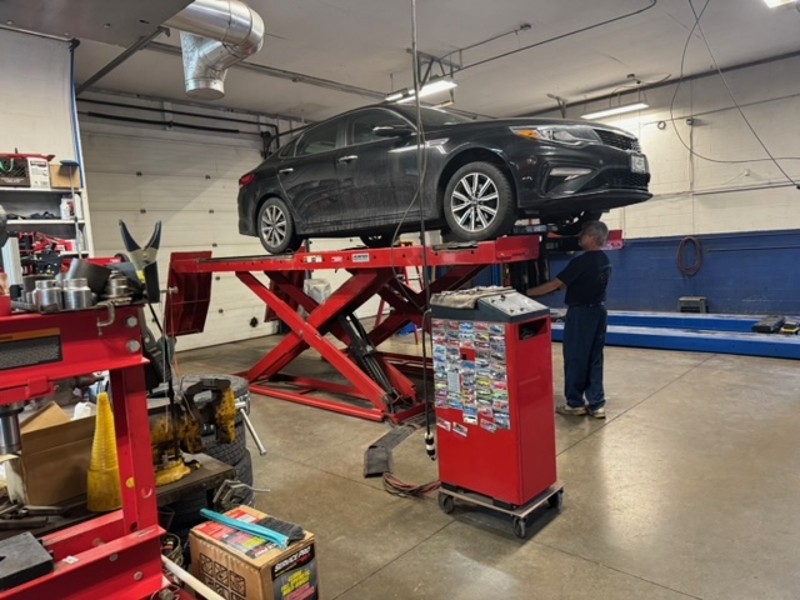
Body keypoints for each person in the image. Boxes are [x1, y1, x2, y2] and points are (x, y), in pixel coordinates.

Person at [527, 220, 611, 419]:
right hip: (599, 312)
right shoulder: (605, 260)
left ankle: (574, 403)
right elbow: (572, 284)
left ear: (592, 237)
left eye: (583, 234)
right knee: (594, 358)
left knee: (575, 357)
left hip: (581, 314)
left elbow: (556, 284)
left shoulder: (581, 261)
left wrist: (525, 292)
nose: (580, 237)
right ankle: (596, 404)